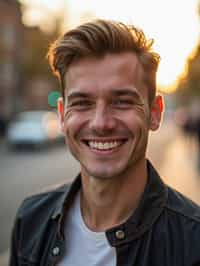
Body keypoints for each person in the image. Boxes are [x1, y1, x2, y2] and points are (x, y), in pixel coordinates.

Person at [10, 19, 200, 266]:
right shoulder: (31, 219)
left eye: (121, 101)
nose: (100, 123)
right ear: (62, 115)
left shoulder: (193, 242)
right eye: (82, 103)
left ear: (155, 113)